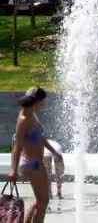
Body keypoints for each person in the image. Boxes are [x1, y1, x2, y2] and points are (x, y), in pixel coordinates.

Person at [8, 86, 62, 223]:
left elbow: (41, 138)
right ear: (36, 101)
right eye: (42, 101)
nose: (43, 104)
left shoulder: (32, 114)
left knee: (39, 201)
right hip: (32, 165)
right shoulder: (24, 118)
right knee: (43, 202)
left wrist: (55, 152)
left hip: (37, 164)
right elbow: (17, 146)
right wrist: (13, 169)